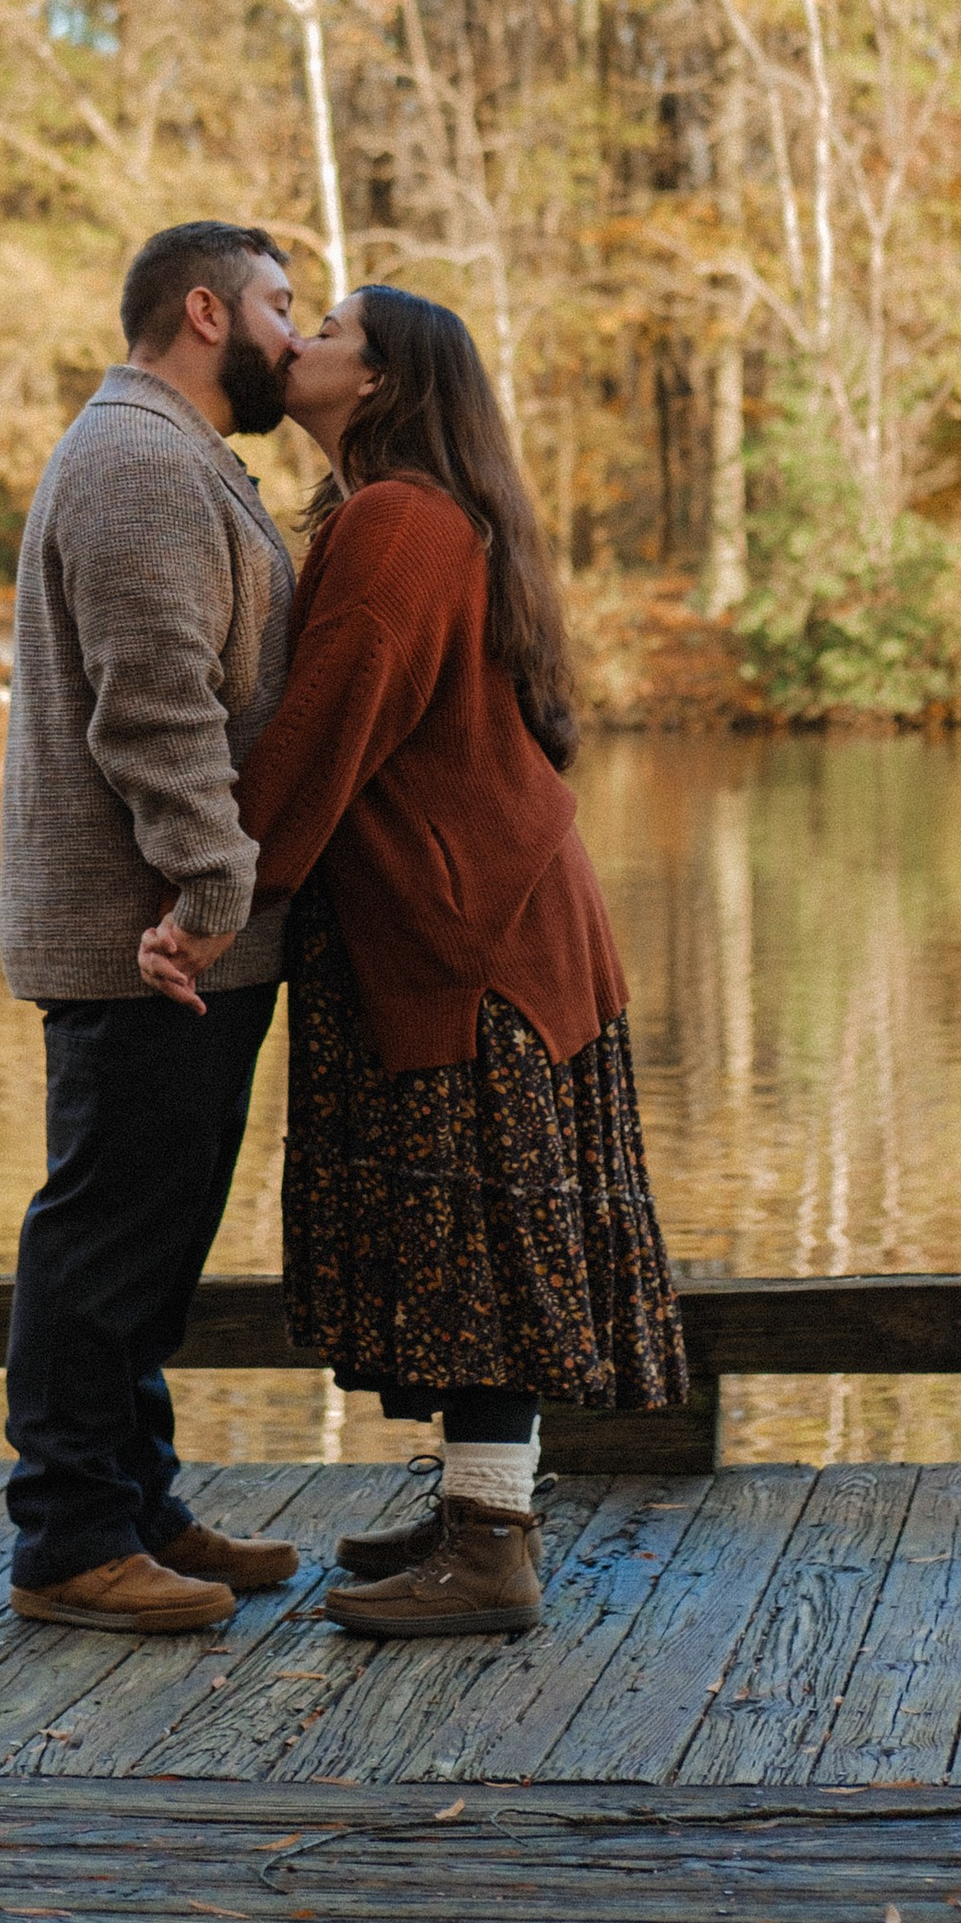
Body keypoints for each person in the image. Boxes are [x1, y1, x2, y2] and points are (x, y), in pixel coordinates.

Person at [141, 283, 685, 1639]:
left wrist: (218, 896)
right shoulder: (410, 513)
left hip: (475, 939)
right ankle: (472, 1509)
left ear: (379, 383)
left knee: (487, 1235)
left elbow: (330, 732)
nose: (299, 345)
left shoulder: (397, 523)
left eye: (327, 333)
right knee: (467, 1229)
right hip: (481, 921)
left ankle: (493, 1549)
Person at [0, 220, 306, 1633]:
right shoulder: (136, 460)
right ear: (205, 309)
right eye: (279, 307)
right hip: (154, 943)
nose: (293, 338)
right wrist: (211, 894)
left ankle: (139, 1504)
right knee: (104, 1237)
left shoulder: (172, 454)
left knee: (153, 1237)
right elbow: (156, 704)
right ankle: (69, 1539)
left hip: (183, 933)